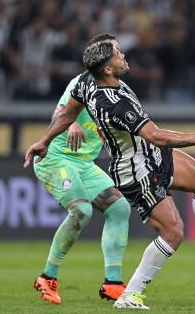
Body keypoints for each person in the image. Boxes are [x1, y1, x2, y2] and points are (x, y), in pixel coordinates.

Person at [25, 34, 195, 310]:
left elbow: (69, 112)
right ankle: (130, 295)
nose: (124, 56)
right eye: (118, 53)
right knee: (174, 232)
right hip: (136, 168)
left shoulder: (86, 82)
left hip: (149, 155)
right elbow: (156, 136)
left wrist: (43, 139)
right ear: (107, 68)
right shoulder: (114, 102)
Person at [31, 71, 131, 305]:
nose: (122, 55)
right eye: (116, 51)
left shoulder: (121, 90)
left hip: (84, 164)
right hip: (55, 158)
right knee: (81, 211)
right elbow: (60, 110)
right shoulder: (84, 81)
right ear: (106, 62)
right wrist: (73, 122)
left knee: (119, 208)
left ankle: (113, 283)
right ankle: (48, 276)